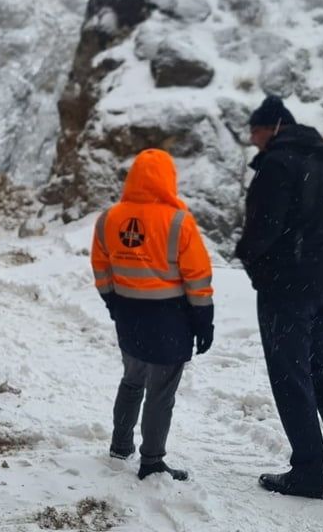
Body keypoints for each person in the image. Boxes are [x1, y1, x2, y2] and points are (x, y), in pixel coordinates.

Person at [234, 95, 323, 499]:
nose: (253, 140)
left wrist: (251, 263)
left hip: (289, 283)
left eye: (255, 132)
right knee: (319, 364)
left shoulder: (277, 163)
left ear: (272, 126)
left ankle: (308, 471)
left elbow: (263, 228)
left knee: (290, 374)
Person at [91, 148, 215, 481]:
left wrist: (113, 304)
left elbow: (101, 269)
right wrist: (204, 323)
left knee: (132, 380)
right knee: (160, 393)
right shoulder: (178, 221)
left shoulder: (109, 218)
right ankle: (152, 461)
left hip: (128, 316)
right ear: (167, 179)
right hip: (169, 320)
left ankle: (120, 444)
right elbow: (198, 278)